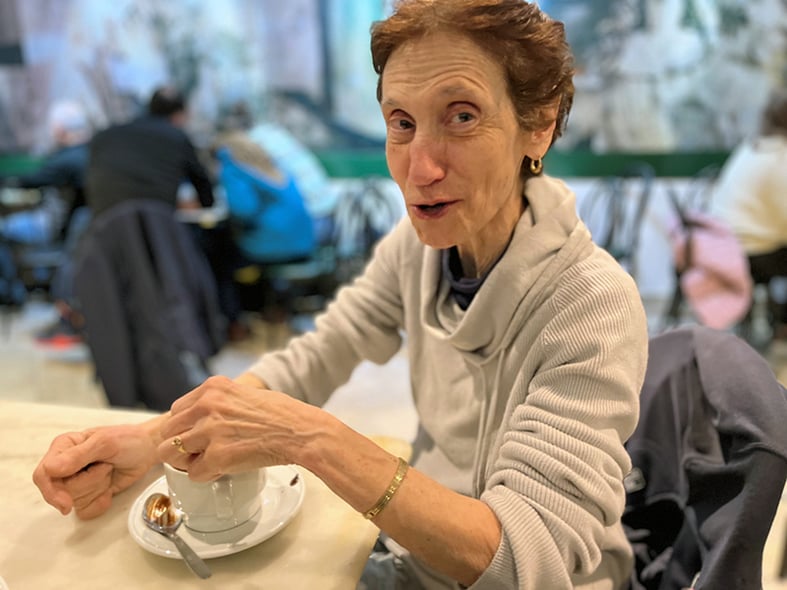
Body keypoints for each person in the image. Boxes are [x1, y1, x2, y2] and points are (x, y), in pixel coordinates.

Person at [32, 2, 649, 588]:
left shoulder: (591, 305)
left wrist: (312, 439)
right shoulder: (420, 251)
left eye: (461, 116)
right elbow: (317, 355)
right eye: (401, 124)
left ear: (537, 127)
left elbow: (525, 561)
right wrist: (154, 441)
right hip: (420, 559)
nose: (421, 167)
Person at [0, 100, 91, 343]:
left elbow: (30, 180)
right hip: (77, 230)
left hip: (52, 228)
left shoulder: (64, 159)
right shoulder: (92, 153)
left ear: (59, 130)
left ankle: (11, 294)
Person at [711, 88, 787, 339]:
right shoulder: (780, 159)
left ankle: (778, 320)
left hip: (722, 244)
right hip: (749, 253)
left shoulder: (754, 145)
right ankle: (781, 323)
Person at [85, 86, 214, 216]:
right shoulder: (176, 137)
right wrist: (208, 208)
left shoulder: (105, 135)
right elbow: (201, 181)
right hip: (155, 223)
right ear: (178, 115)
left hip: (104, 222)